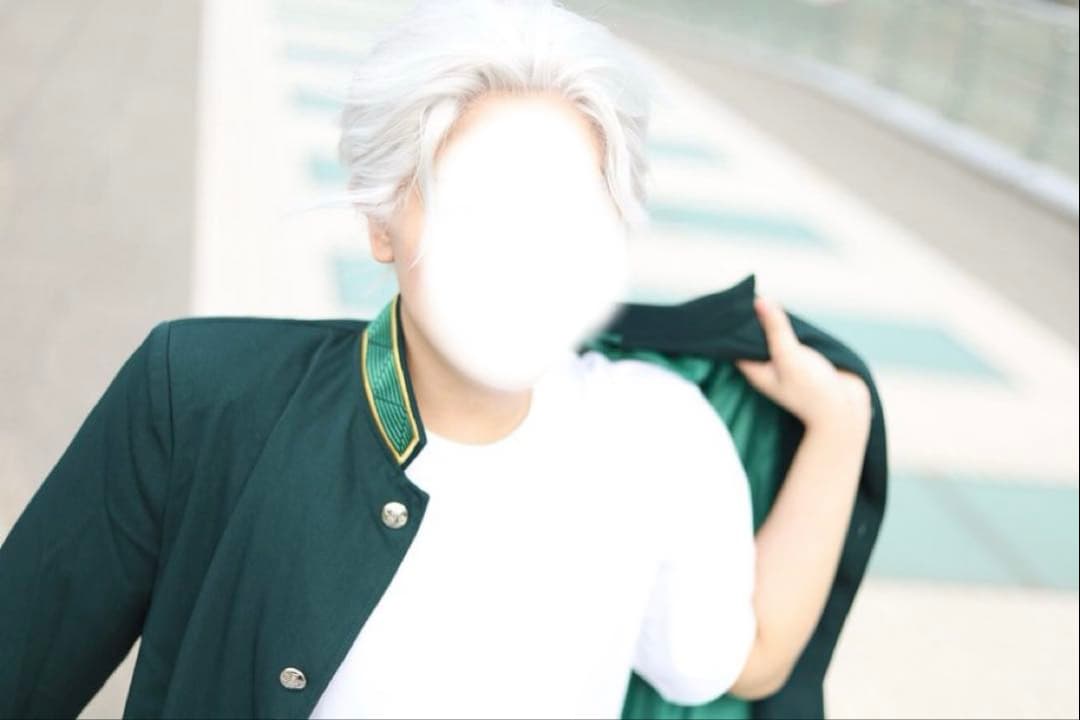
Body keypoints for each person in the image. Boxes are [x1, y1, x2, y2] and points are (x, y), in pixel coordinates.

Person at [0, 1, 880, 718]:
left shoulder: (656, 433)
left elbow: (744, 659)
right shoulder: (202, 394)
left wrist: (843, 424)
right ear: (381, 223)